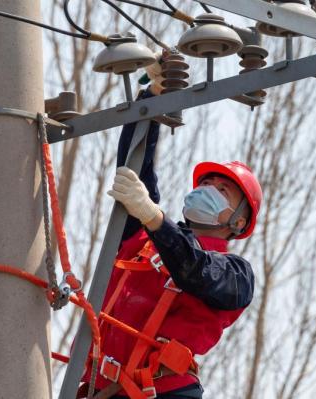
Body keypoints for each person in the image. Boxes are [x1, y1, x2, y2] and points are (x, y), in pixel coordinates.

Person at [78, 56, 263, 399]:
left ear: (238, 221)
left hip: (165, 392)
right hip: (100, 391)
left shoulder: (237, 276)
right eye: (205, 182)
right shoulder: (144, 242)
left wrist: (153, 217)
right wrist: (151, 102)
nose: (207, 189)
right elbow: (135, 168)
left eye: (221, 190)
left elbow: (194, 268)